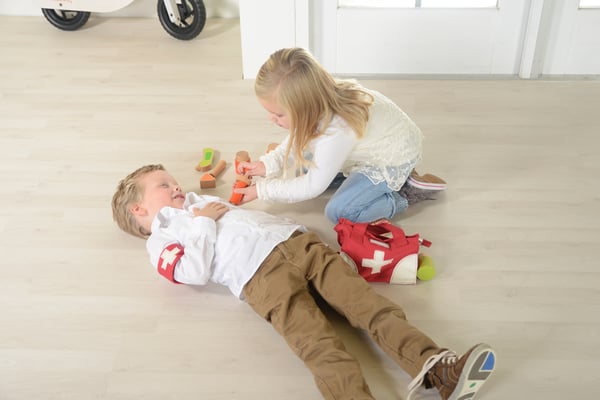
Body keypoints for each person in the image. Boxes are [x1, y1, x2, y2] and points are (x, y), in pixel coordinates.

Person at [111, 164, 496, 400]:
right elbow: (192, 271)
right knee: (319, 347)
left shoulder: (199, 204)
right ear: (139, 209)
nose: (176, 186)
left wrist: (312, 240)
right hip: (260, 278)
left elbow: (255, 222)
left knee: (372, 308)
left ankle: (438, 369)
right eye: (164, 185)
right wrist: (203, 222)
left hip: (301, 245)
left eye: (174, 181)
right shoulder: (163, 241)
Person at [234, 47, 446, 224]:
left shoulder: (337, 129)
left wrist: (262, 190)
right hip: (372, 143)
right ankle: (370, 182)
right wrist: (268, 164)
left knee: (339, 212)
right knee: (304, 165)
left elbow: (312, 187)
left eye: (278, 114)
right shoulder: (318, 98)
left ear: (304, 109)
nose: (271, 119)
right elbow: (299, 136)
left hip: (391, 157)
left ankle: (401, 195)